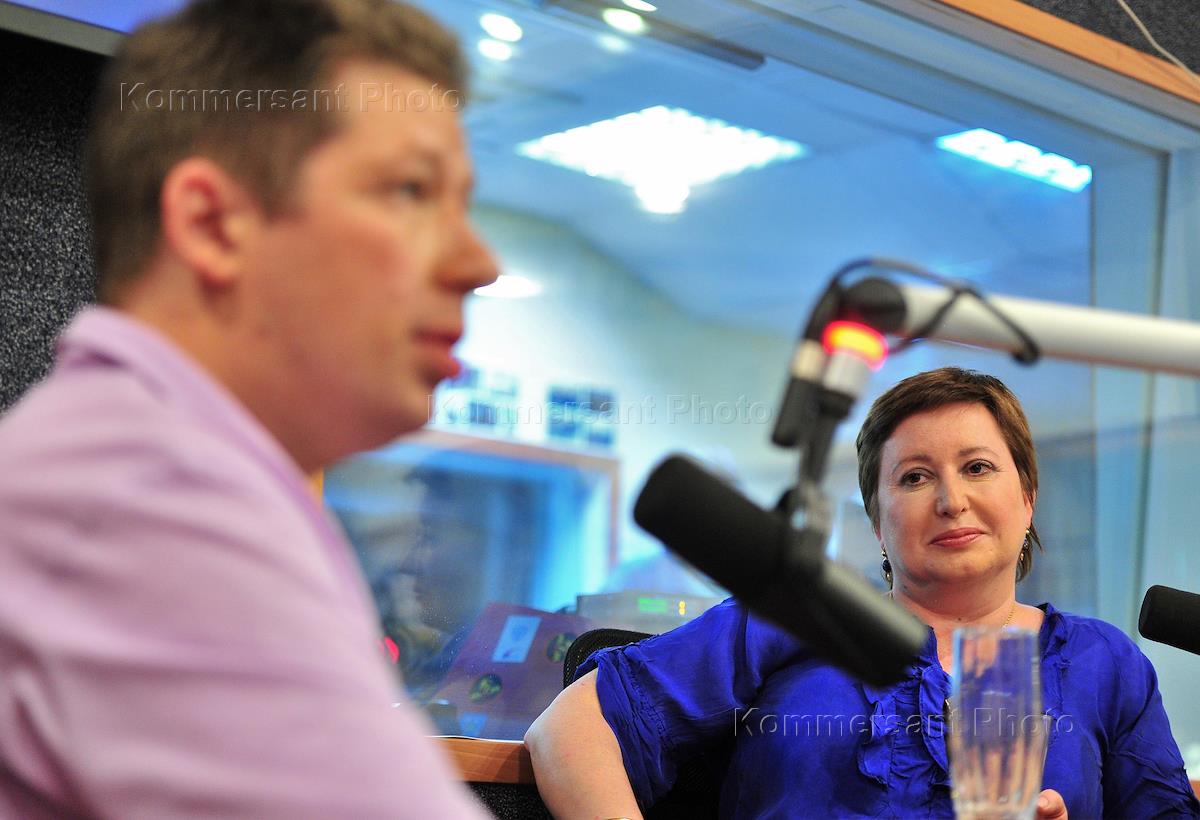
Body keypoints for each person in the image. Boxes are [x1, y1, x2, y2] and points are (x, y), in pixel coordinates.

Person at [0, 1, 499, 817]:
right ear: (212, 224)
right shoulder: (151, 496)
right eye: (411, 190)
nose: (478, 262)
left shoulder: (145, 462)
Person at [526, 367, 1200, 819]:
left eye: (977, 467)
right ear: (878, 522)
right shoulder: (794, 613)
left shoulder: (1105, 663)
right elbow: (568, 731)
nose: (951, 499)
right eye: (913, 478)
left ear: (1027, 497)